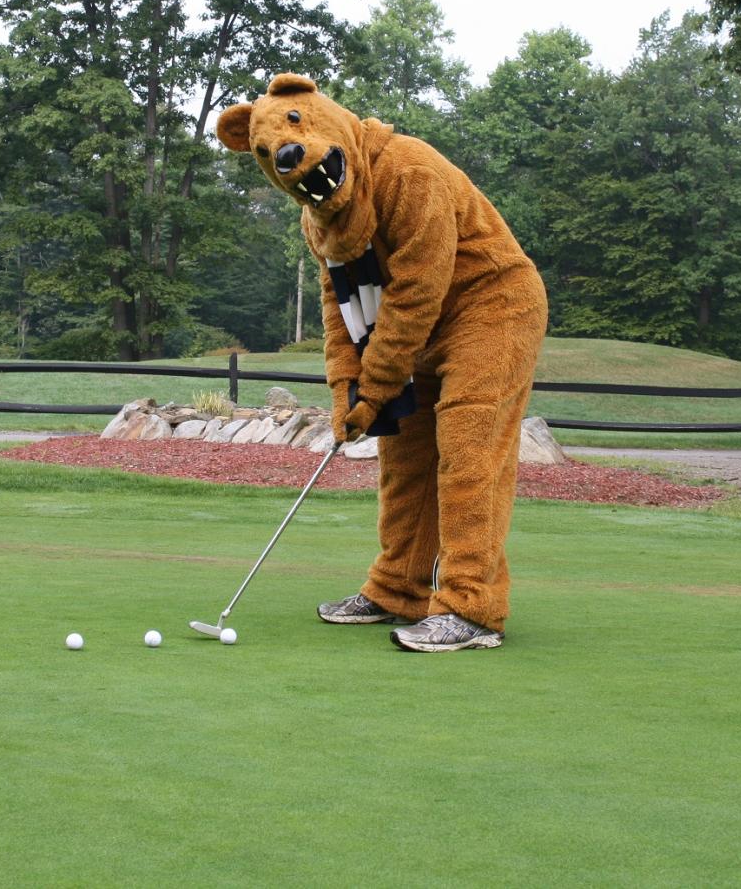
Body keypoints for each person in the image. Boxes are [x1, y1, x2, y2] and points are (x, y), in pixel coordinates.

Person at [217, 74, 547, 652]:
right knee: (405, 453)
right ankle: (399, 587)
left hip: (492, 303)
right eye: (272, 156)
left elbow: (418, 289)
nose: (291, 154)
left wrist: (378, 384)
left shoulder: (408, 171)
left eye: (295, 129)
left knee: (468, 447)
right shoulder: (318, 220)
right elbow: (337, 302)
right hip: (419, 325)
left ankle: (473, 607)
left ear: (319, 110)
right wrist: (347, 389)